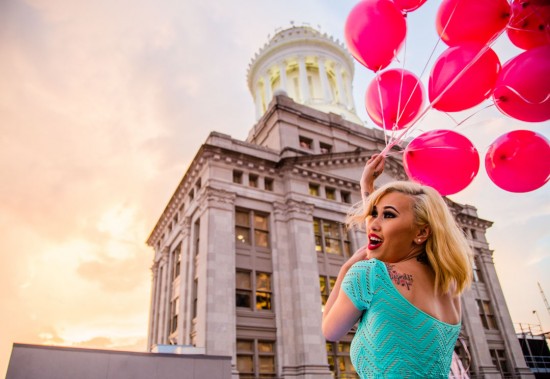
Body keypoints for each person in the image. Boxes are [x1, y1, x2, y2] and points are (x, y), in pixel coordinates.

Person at [322, 154, 473, 378]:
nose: (372, 223)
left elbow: (329, 331)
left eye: (388, 215)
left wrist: (346, 269)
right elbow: (389, 233)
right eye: (374, 214)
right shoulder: (449, 287)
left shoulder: (368, 274)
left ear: (422, 232)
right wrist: (367, 187)